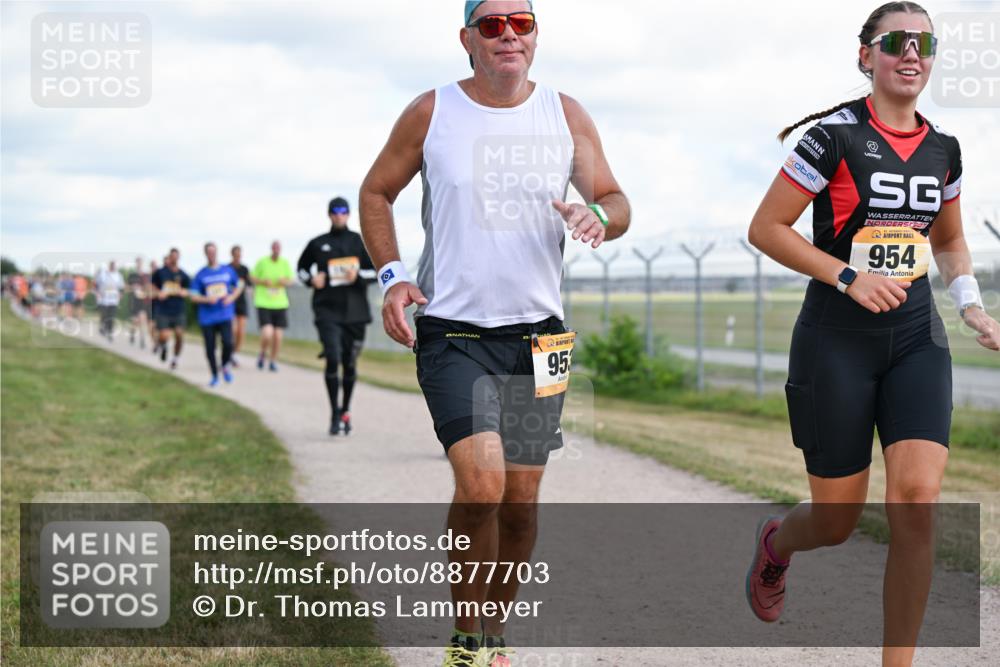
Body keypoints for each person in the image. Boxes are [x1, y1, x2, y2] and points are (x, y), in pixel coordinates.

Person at [359, 2, 630, 664]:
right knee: (481, 484)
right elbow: (375, 193)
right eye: (492, 24)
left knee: (520, 502)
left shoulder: (566, 115)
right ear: (467, 40)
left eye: (521, 23)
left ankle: (494, 631)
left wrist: (596, 214)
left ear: (536, 37)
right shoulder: (433, 112)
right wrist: (393, 277)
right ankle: (465, 634)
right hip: (453, 332)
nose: (508, 33)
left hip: (543, 341)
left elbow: (617, 202)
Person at [746, 3, 1000, 665]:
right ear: (867, 56)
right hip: (836, 341)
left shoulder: (945, 148)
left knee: (916, 501)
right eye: (896, 42)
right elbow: (766, 228)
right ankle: (777, 545)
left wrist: (970, 306)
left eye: (925, 43)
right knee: (836, 521)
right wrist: (846, 277)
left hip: (916, 339)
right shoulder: (831, 138)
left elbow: (948, 242)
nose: (911, 53)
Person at [297, 197, 376, 435]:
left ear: (349, 214)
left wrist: (358, 277)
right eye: (335, 212)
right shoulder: (317, 243)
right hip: (327, 310)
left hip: (355, 313)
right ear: (329, 215)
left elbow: (376, 271)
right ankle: (333, 412)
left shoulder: (358, 242)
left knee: (349, 363)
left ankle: (345, 410)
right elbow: (301, 268)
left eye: (343, 211)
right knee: (333, 357)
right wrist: (311, 279)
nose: (339, 215)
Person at [190, 243, 243, 386]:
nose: (211, 254)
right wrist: (207, 299)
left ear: (217, 253)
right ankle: (214, 375)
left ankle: (225, 365)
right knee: (210, 348)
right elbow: (193, 296)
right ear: (205, 254)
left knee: (228, 342)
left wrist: (231, 298)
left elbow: (239, 286)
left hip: (225, 314)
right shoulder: (201, 274)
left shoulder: (227, 270)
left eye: (214, 252)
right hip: (207, 317)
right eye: (209, 252)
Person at [252, 241, 295, 372]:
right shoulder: (262, 262)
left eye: (278, 248)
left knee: (278, 336)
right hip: (263, 302)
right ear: (271, 249)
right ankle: (262, 353)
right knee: (267, 333)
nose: (276, 250)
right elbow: (252, 278)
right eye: (274, 248)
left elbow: (291, 280)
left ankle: (273, 361)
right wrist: (262, 281)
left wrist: (284, 282)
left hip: (280, 303)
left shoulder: (284, 263)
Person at [151, 248, 191, 370]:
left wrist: (185, 292)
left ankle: (175, 359)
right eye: (172, 256)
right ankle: (163, 346)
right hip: (163, 309)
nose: (174, 259)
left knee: (179, 334)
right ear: (169, 257)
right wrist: (158, 293)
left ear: (179, 258)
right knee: (164, 336)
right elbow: (151, 285)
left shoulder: (183, 274)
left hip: (178, 309)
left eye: (176, 256)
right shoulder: (161, 272)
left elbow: (188, 289)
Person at [229, 245, 251, 366]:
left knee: (241, 332)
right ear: (232, 255)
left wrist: (250, 290)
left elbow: (248, 284)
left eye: (239, 255)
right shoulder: (227, 268)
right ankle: (229, 351)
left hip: (241, 302)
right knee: (233, 330)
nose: (238, 257)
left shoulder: (244, 269)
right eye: (236, 255)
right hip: (230, 302)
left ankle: (235, 354)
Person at [94, 261, 124, 341]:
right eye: (112, 266)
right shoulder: (103, 274)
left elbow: (121, 287)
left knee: (112, 316)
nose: (113, 267)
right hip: (104, 299)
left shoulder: (119, 275)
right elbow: (96, 284)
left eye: (114, 266)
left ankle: (110, 333)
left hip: (114, 299)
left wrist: (121, 294)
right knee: (104, 315)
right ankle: (103, 327)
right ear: (109, 266)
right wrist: (97, 293)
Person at [126, 257, 152, 349]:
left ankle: (142, 340)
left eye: (140, 263)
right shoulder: (132, 276)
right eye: (137, 263)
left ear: (142, 264)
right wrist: (132, 288)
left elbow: (149, 288)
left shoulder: (146, 275)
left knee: (142, 320)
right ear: (136, 264)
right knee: (134, 322)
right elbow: (126, 289)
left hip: (143, 301)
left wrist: (145, 290)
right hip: (133, 301)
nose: (139, 265)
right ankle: (132, 333)